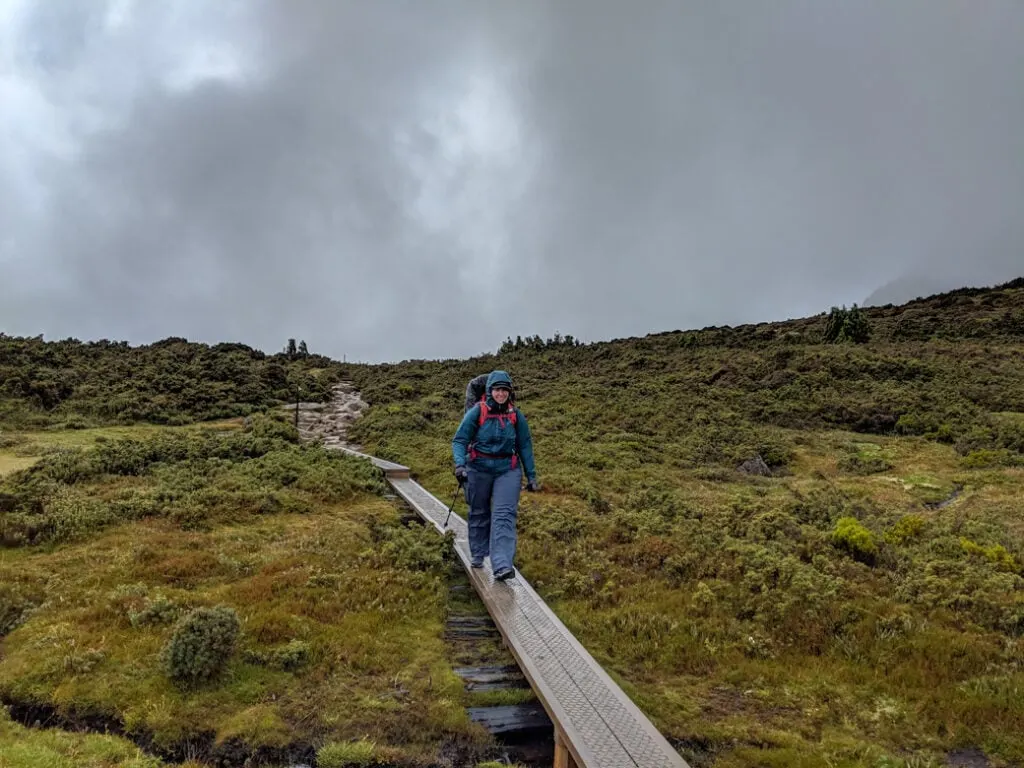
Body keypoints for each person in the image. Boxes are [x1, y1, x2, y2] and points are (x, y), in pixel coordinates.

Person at [452, 370, 539, 581]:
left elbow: (525, 445)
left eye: (505, 390)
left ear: (510, 392)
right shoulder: (477, 411)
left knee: (504, 515)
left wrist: (532, 476)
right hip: (478, 467)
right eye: (497, 390)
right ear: (490, 391)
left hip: (507, 469)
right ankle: (479, 553)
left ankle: (501, 565)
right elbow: (460, 440)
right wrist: (460, 465)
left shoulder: (515, 415)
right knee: (479, 511)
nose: (501, 394)